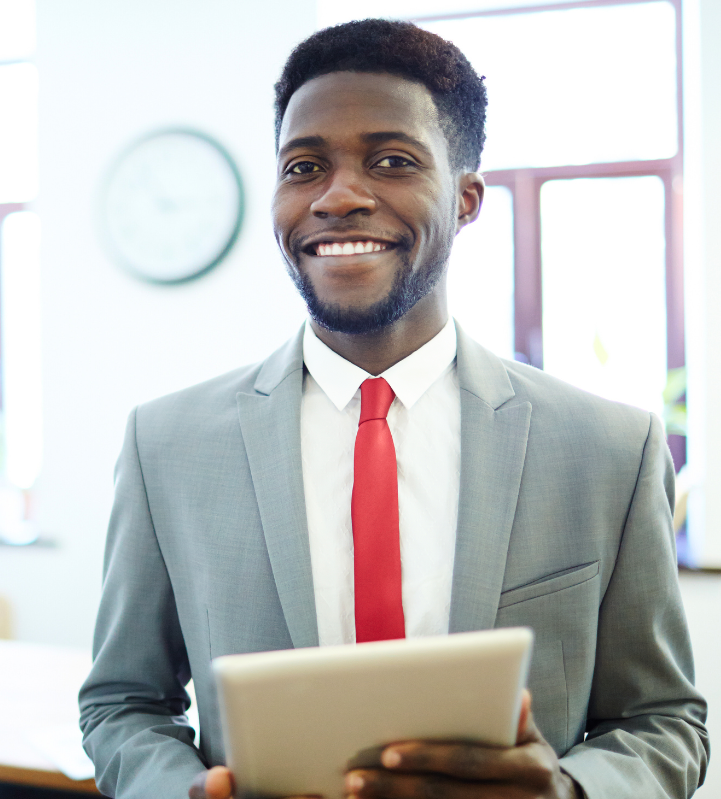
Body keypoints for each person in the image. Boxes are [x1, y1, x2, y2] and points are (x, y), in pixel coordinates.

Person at [79, 18, 709, 799]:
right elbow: (122, 703)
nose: (337, 196)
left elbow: (663, 720)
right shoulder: (164, 444)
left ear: (467, 197)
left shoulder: (609, 445)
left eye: (391, 160)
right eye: (303, 166)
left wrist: (572, 793)